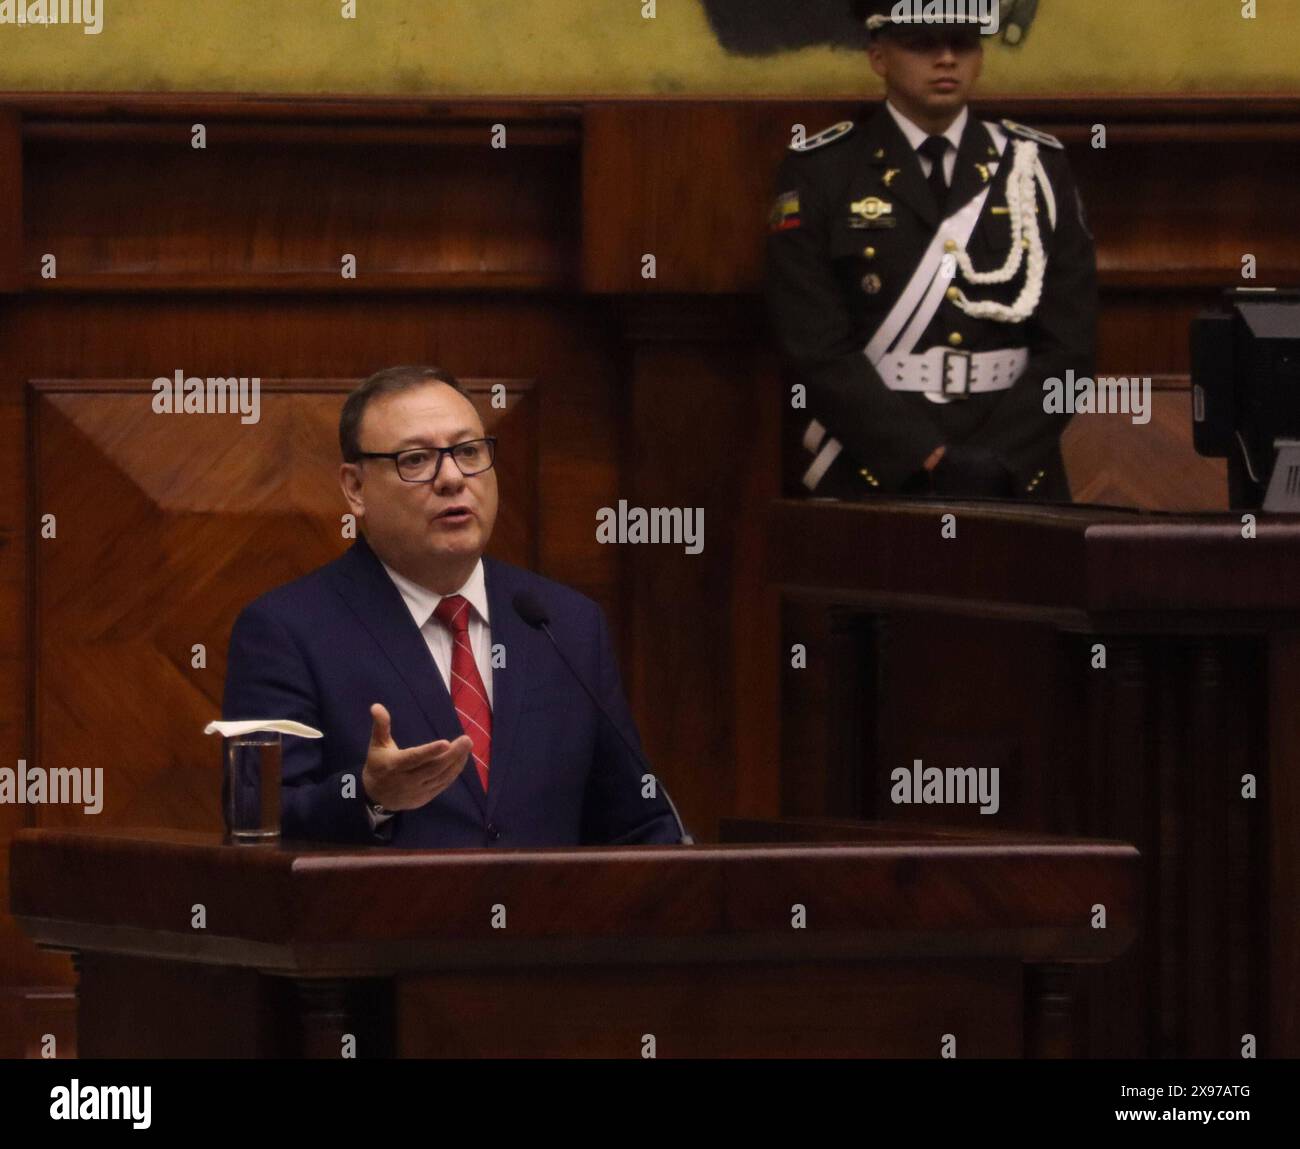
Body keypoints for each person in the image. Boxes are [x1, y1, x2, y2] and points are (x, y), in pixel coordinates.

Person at [222, 365, 682, 847]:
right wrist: (368, 795)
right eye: (417, 459)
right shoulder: (285, 630)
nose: (452, 478)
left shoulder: (566, 624)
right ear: (355, 489)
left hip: (547, 920)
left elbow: (639, 821)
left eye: (468, 452)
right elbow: (258, 825)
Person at [766, 1, 1097, 501]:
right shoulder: (822, 173)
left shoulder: (1037, 169)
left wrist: (999, 459)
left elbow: (1071, 348)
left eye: (962, 43)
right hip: (875, 471)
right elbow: (814, 349)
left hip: (1016, 473)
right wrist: (924, 454)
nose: (946, 59)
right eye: (923, 43)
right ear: (878, 56)